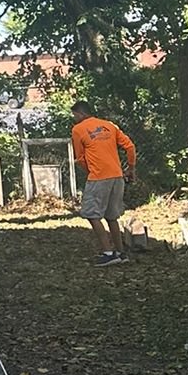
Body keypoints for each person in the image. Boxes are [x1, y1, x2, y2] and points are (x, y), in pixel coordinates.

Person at [70, 101, 137, 264]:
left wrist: (90, 171)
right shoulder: (109, 126)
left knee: (91, 214)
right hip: (117, 177)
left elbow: (80, 158)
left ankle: (108, 253)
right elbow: (130, 147)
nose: (74, 118)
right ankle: (121, 253)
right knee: (112, 216)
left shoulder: (78, 129)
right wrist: (131, 168)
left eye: (75, 115)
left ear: (80, 114)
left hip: (98, 177)